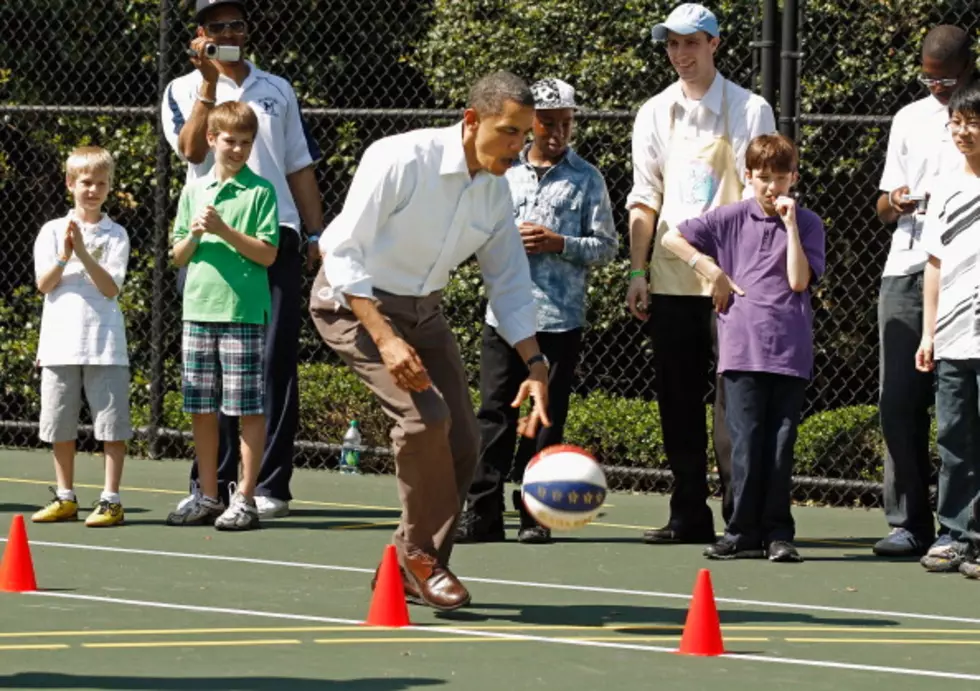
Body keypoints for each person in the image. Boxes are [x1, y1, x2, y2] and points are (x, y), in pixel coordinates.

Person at [310, 72, 551, 610]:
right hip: (353, 303)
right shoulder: (399, 158)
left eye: (524, 135)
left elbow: (509, 280)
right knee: (423, 420)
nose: (518, 147)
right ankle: (420, 558)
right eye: (509, 132)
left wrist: (535, 364)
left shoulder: (494, 191)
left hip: (424, 312)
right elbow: (342, 250)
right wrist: (386, 339)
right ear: (471, 121)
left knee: (465, 440)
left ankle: (407, 567)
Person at [161, 0, 324, 518]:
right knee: (206, 377)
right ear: (200, 34)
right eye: (218, 26)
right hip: (207, 246)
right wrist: (206, 83)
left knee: (271, 365)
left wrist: (316, 233)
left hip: (273, 235)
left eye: (237, 24)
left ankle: (266, 488)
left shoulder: (278, 89)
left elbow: (298, 165)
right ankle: (210, 487)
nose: (229, 33)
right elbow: (191, 153)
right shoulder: (181, 89)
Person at [625, 3, 776, 544]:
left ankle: (742, 521)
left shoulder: (750, 108)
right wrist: (638, 270)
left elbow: (760, 194)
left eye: (691, 42)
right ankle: (688, 513)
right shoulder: (653, 112)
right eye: (671, 44)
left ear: (715, 43)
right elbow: (645, 198)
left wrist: (732, 271)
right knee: (676, 400)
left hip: (732, 283)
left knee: (733, 402)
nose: (680, 54)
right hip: (669, 277)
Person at [457, 78, 618, 544]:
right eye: (548, 123)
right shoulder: (502, 171)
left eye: (566, 123)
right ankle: (481, 513)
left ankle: (535, 514)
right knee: (493, 414)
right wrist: (508, 237)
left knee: (545, 419)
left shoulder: (587, 178)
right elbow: (476, 230)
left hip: (560, 318)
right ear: (531, 124)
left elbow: (606, 247)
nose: (557, 133)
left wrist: (559, 243)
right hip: (504, 316)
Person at [663, 133, 826, 562]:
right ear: (749, 177)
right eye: (763, 178)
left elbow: (798, 281)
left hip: (789, 353)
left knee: (779, 446)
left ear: (794, 177)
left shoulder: (807, 223)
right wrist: (710, 268)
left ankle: (778, 533)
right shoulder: (729, 217)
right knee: (744, 445)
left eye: (781, 178)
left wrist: (790, 226)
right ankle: (740, 530)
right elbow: (671, 238)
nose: (772, 188)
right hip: (741, 349)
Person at [872, 25, 975, 558]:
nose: (936, 88)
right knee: (898, 400)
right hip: (908, 266)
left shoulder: (974, 119)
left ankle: (962, 529)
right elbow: (882, 206)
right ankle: (908, 522)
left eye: (946, 79)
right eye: (927, 78)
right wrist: (900, 199)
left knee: (960, 406)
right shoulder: (908, 119)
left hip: (966, 272)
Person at [165, 101, 279, 531]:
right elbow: (177, 256)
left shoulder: (261, 192)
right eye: (230, 141)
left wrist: (223, 231)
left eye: (246, 143)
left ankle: (245, 498)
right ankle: (209, 495)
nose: (238, 150)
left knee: (246, 408)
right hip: (197, 310)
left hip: (243, 312)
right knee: (201, 407)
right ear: (211, 140)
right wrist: (195, 235)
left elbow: (268, 254)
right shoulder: (193, 190)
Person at [31, 146, 131, 527]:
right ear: (71, 184)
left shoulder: (116, 233)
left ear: (108, 188)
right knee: (60, 423)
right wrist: (63, 256)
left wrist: (84, 253)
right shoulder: (51, 230)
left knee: (111, 425)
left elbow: (110, 288)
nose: (93, 190)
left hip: (105, 346)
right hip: (59, 345)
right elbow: (44, 284)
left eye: (101, 184)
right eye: (86, 182)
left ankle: (111, 499)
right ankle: (65, 497)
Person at [915, 81, 980, 578]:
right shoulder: (945, 187)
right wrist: (929, 333)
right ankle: (954, 534)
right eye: (956, 122)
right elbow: (934, 263)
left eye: (972, 122)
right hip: (954, 337)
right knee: (954, 438)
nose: (963, 131)